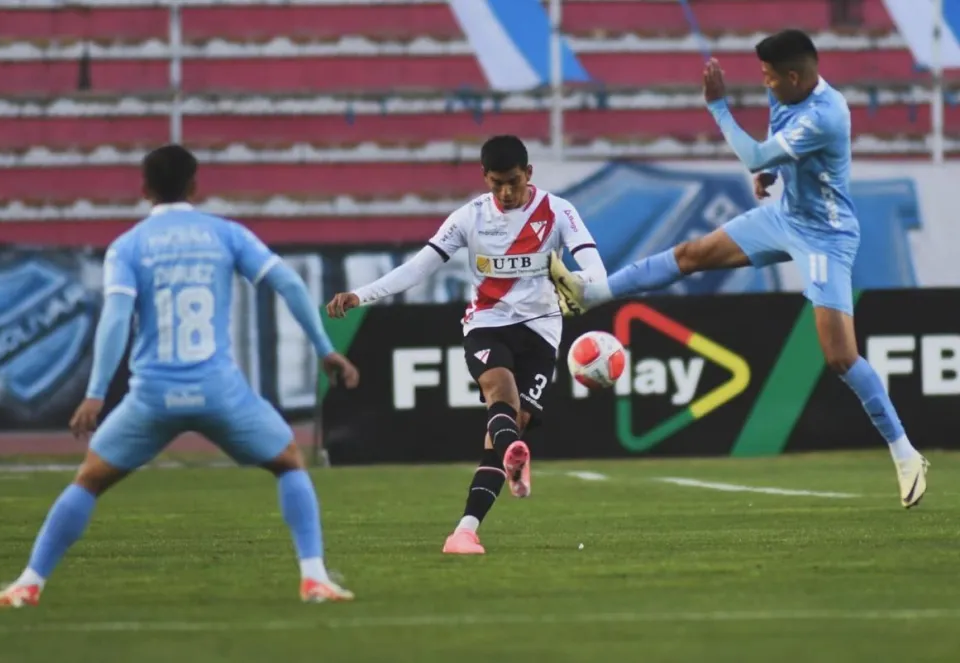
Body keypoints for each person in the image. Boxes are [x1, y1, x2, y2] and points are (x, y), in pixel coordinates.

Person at [548, 29, 928, 508]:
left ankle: (905, 452)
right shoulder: (787, 93)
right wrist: (770, 173)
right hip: (783, 216)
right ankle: (590, 294)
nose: (766, 85)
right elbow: (772, 151)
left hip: (825, 238)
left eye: (771, 78)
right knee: (692, 254)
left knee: (839, 357)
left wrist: (719, 107)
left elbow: (753, 152)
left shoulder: (828, 115)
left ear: (795, 76)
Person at [0, 145, 359, 608]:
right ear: (195, 185)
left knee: (89, 480)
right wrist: (325, 349)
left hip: (152, 396)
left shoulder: (129, 246)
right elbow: (287, 282)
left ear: (143, 189)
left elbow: (115, 319)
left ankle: (29, 583)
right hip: (219, 390)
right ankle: (314, 578)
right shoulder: (226, 234)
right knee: (288, 462)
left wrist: (95, 393)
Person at [327, 135, 607, 553]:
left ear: (529, 174)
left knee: (506, 433)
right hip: (488, 323)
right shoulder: (469, 217)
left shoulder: (559, 212)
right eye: (496, 184)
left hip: (542, 331)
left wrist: (578, 282)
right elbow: (417, 268)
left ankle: (465, 530)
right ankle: (509, 462)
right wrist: (360, 295)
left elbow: (596, 272)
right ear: (485, 178)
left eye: (513, 181)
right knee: (500, 393)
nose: (506, 193)